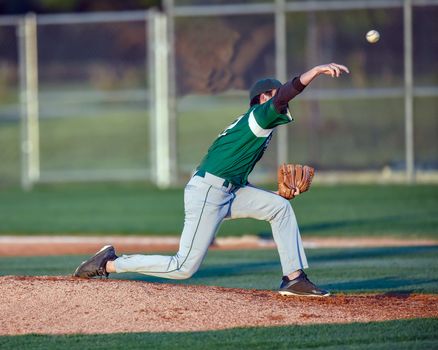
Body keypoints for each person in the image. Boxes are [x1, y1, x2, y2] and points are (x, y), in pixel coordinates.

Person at [73, 62, 349, 297]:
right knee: (184, 267)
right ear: (260, 99)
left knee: (279, 207)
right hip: (208, 192)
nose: (279, 97)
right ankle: (109, 263)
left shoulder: (258, 129)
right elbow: (285, 95)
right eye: (272, 93)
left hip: (228, 190)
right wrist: (314, 72)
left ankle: (294, 278)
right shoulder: (258, 117)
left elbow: (235, 174)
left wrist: (271, 196)